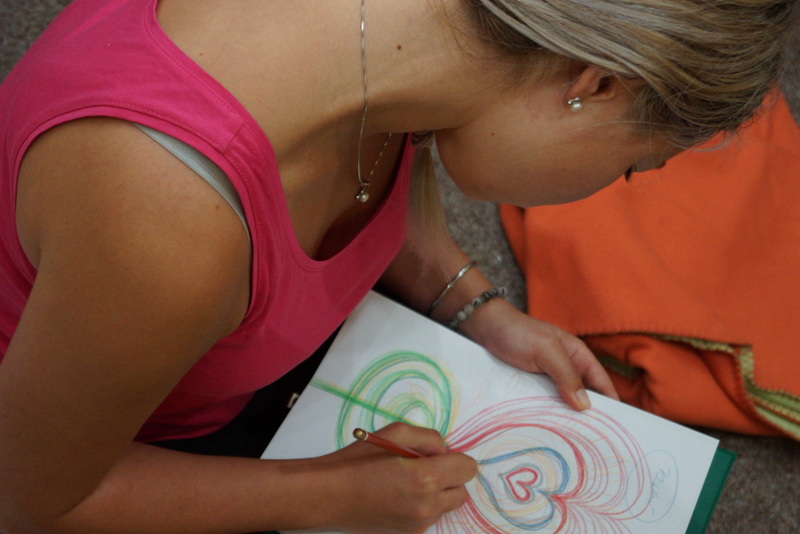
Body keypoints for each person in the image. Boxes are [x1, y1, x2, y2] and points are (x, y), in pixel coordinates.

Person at [0, 0, 792, 532]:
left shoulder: (408, 42)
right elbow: (32, 500)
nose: (609, 189)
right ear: (596, 83)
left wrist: (477, 307)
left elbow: (375, 187)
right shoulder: (170, 219)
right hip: (113, 443)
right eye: (631, 167)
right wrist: (331, 493)